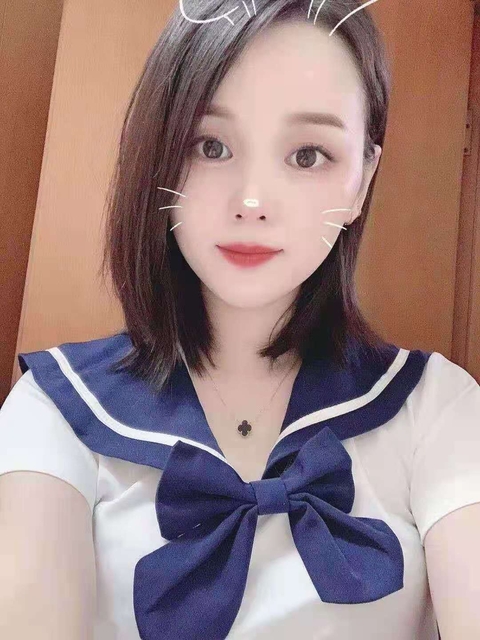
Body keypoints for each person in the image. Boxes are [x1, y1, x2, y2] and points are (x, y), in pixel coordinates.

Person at [1, 1, 479, 638]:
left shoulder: (437, 409)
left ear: (362, 181)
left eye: (308, 155)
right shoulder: (55, 408)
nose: (252, 202)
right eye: (212, 146)